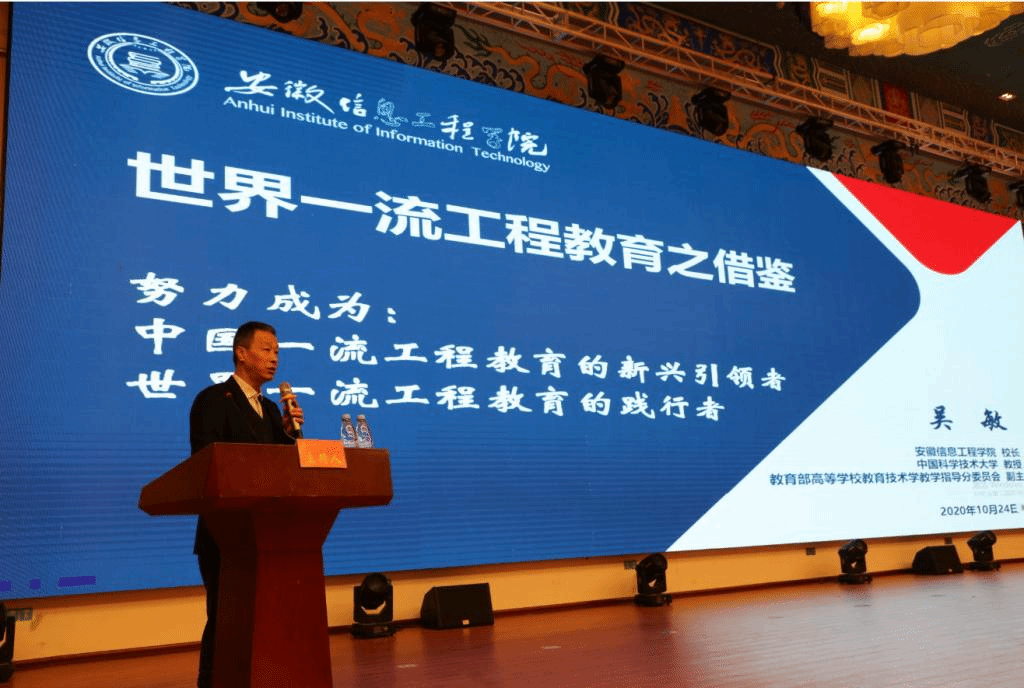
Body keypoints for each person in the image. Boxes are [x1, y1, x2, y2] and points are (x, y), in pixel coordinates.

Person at [187, 321, 304, 688]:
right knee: (225, 619)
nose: (274, 358)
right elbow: (207, 463)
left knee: (264, 621)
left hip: (267, 535)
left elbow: (282, 472)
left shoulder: (270, 409)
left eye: (277, 352)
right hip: (226, 533)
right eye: (266, 349)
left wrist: (289, 436)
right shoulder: (212, 400)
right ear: (241, 353)